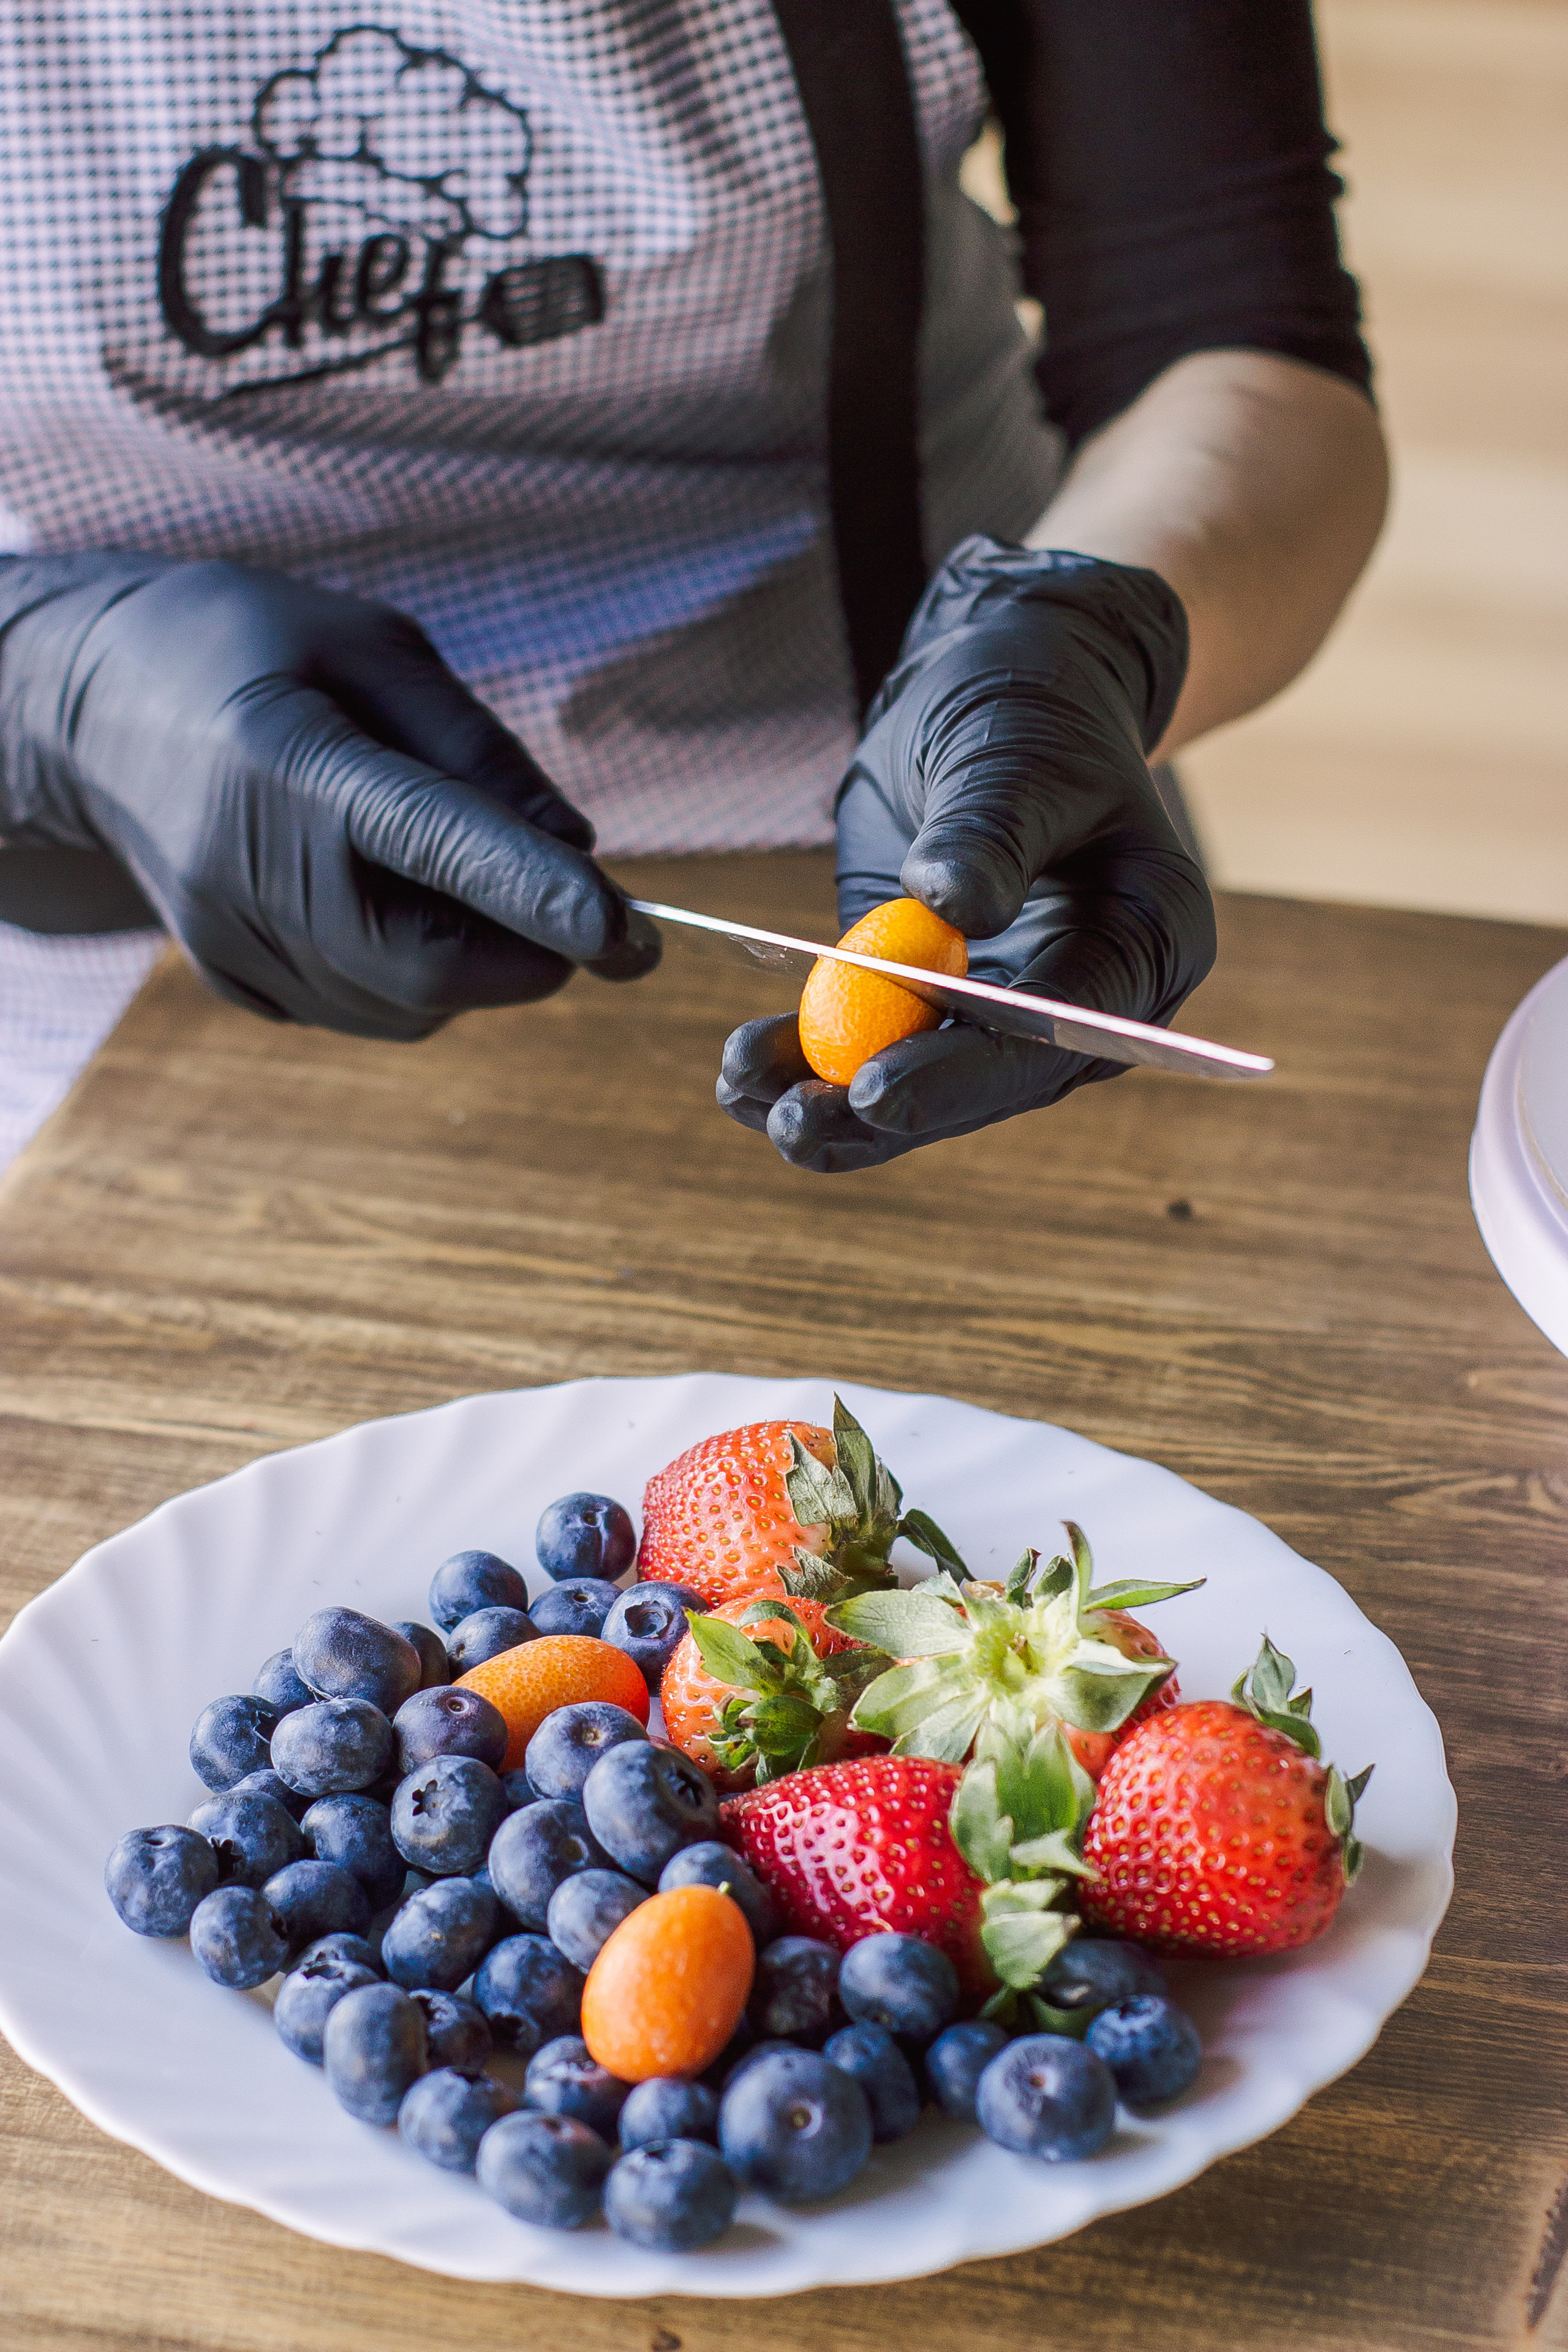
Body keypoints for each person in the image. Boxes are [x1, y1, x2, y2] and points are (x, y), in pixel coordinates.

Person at [0, 0, 1387, 1174]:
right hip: (111, 963)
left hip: (966, 867)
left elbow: (1230, 329)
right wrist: (51, 690)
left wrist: (1088, 634)